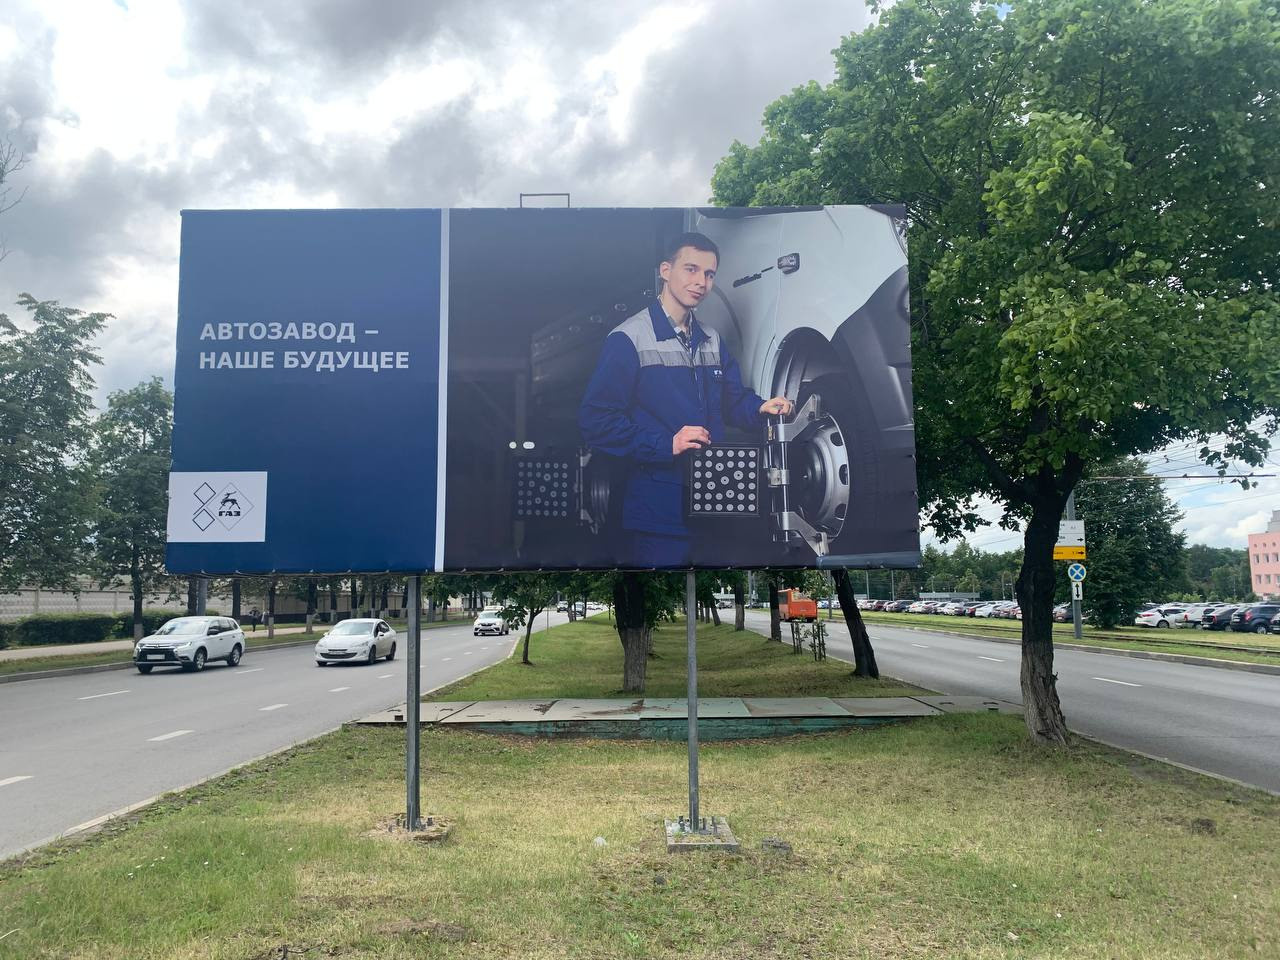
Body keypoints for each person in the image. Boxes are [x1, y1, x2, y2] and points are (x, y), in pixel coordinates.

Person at [579, 231, 793, 566]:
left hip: (714, 507)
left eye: (709, 274)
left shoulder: (712, 340)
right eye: (690, 269)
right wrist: (666, 444)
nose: (701, 282)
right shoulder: (628, 339)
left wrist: (760, 407)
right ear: (666, 270)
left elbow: (732, 403)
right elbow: (596, 421)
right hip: (657, 514)